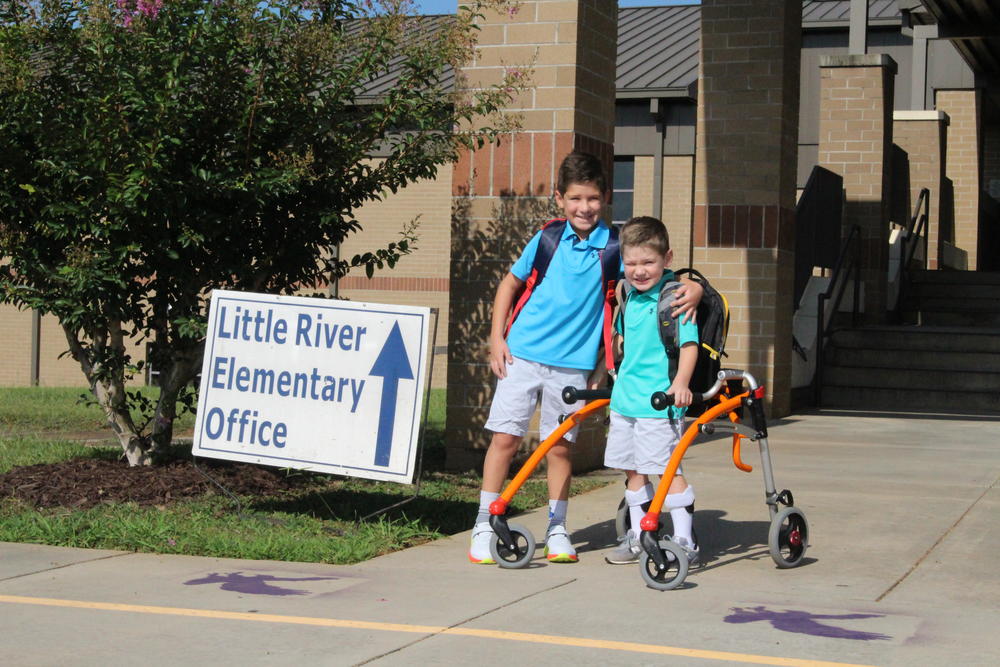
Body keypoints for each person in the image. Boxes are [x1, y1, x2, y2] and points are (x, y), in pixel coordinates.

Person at [469, 153, 701, 564]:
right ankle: (484, 523)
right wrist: (496, 338)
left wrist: (694, 289)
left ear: (606, 198)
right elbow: (510, 284)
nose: (584, 207)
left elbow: (654, 275)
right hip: (520, 354)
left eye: (593, 198)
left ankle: (557, 527)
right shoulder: (547, 239)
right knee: (504, 438)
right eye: (575, 198)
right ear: (560, 198)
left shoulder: (614, 247)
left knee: (559, 449)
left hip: (572, 366)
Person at [604, 215, 700, 566]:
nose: (639, 270)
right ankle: (637, 534)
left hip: (659, 403)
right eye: (631, 263)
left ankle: (685, 539)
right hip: (625, 400)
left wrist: (681, 383)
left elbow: (689, 345)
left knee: (667, 469)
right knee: (632, 470)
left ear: (667, 259)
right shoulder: (626, 295)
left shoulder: (675, 298)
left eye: (648, 262)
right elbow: (623, 344)